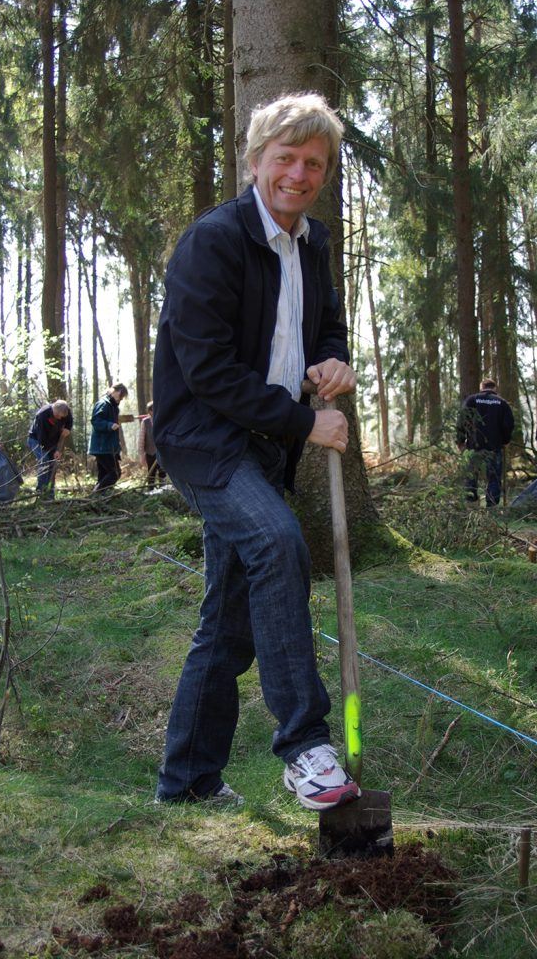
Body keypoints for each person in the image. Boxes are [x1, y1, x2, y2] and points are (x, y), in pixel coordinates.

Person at [151, 92, 360, 810]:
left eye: (313, 163)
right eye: (285, 159)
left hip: (264, 444)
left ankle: (186, 782)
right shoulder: (213, 241)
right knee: (277, 542)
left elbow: (325, 330)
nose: (297, 175)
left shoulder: (315, 243)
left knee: (230, 621)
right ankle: (305, 744)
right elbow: (205, 371)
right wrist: (307, 425)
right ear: (255, 161)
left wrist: (332, 366)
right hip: (203, 442)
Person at [456, 377, 514, 507]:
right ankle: (492, 505)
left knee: (471, 475)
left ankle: (471, 503)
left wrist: (460, 441)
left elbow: (461, 420)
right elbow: (508, 425)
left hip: (473, 445)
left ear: (482, 388)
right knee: (494, 476)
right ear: (494, 388)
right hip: (494, 446)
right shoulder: (502, 403)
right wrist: (505, 441)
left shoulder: (471, 400)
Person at [89, 383, 133, 491]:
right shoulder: (103, 404)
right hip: (102, 447)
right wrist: (109, 425)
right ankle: (96, 494)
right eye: (121, 396)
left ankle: (100, 501)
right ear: (116, 392)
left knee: (104, 475)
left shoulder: (113, 407)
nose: (121, 399)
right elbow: (95, 420)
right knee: (115, 473)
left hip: (109, 446)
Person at [27, 400, 73, 497]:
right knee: (44, 462)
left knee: (52, 465)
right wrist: (55, 451)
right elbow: (42, 439)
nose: (60, 418)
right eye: (58, 416)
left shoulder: (65, 410)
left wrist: (68, 429)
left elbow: (69, 420)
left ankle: (50, 494)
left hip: (52, 440)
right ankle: (41, 492)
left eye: (62, 417)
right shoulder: (42, 415)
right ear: (53, 410)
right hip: (36, 440)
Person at [138, 402, 166, 490]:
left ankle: (163, 490)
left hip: (161, 452)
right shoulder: (145, 422)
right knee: (151, 474)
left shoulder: (162, 420)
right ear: (150, 411)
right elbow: (141, 439)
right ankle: (151, 491)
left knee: (162, 472)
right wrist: (141, 454)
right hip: (150, 453)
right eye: (154, 409)